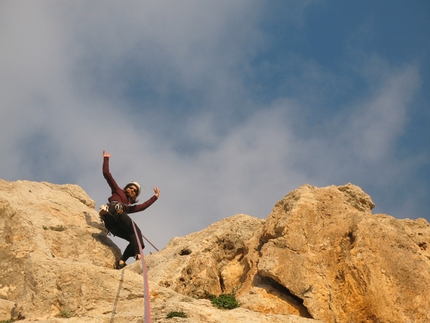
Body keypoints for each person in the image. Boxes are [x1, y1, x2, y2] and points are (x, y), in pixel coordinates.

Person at [99, 150, 160, 269]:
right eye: (131, 188)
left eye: (135, 191)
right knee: (135, 230)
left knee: (137, 241)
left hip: (114, 226)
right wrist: (106, 158)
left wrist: (155, 197)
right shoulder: (118, 191)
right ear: (126, 188)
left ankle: (121, 261)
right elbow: (107, 174)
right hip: (114, 211)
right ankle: (138, 256)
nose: (132, 190)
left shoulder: (129, 207)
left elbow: (142, 207)